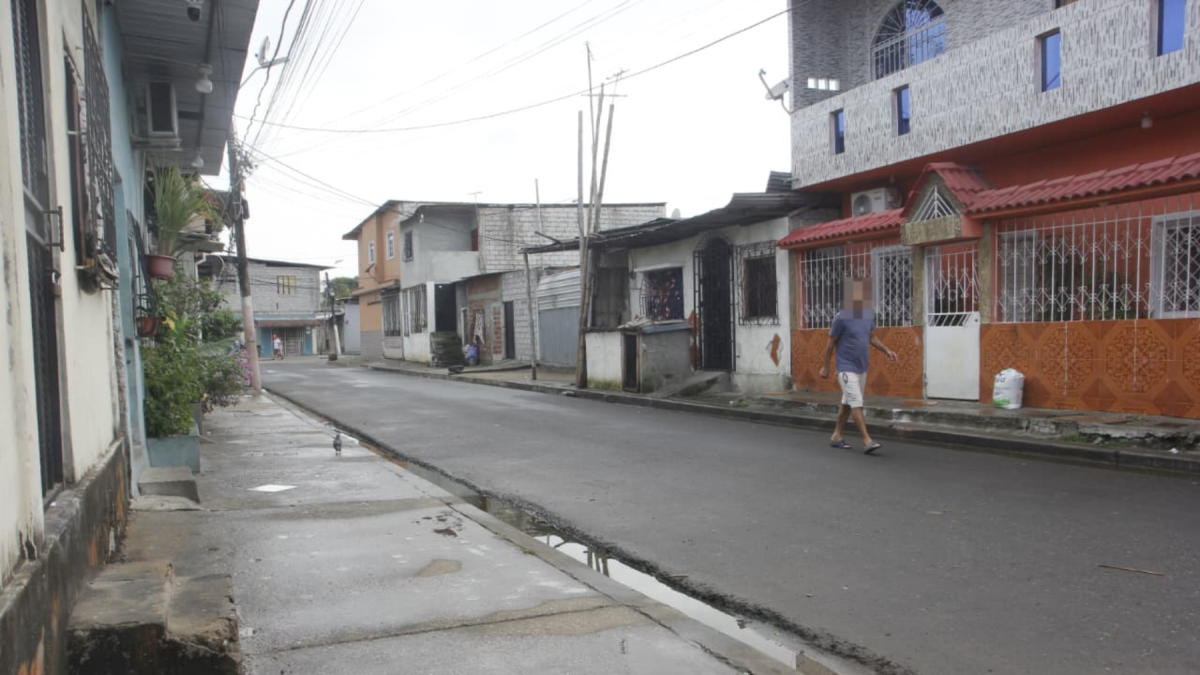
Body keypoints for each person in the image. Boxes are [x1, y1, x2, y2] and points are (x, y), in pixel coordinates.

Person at [819, 277, 897, 454]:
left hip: (861, 368)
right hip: (846, 368)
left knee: (847, 404)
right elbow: (830, 343)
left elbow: (872, 337)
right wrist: (825, 367)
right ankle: (867, 440)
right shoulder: (841, 317)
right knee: (857, 403)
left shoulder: (867, 315)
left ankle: (836, 436)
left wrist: (887, 350)